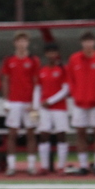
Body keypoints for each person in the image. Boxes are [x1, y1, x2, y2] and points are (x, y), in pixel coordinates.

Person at [67, 31, 95, 175]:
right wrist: (75, 95)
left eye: (90, 41)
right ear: (81, 43)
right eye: (85, 41)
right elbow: (70, 79)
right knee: (80, 133)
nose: (88, 44)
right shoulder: (74, 59)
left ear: (94, 43)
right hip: (79, 102)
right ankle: (83, 165)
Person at [1, 32, 41, 175]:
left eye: (24, 41)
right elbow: (5, 80)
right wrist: (6, 101)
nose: (22, 43)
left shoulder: (33, 60)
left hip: (29, 103)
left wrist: (34, 102)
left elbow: (37, 82)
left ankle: (31, 165)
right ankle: (11, 165)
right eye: (19, 41)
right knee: (12, 133)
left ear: (28, 43)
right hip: (14, 102)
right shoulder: (9, 60)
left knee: (31, 134)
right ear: (15, 43)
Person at [34, 43, 69, 174]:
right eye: (49, 52)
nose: (51, 55)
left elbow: (66, 89)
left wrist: (51, 101)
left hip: (59, 107)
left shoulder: (63, 69)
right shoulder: (42, 70)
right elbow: (38, 89)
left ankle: (61, 166)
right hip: (45, 108)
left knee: (61, 135)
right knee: (44, 135)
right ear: (46, 54)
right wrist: (37, 106)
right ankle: (44, 166)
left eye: (54, 52)